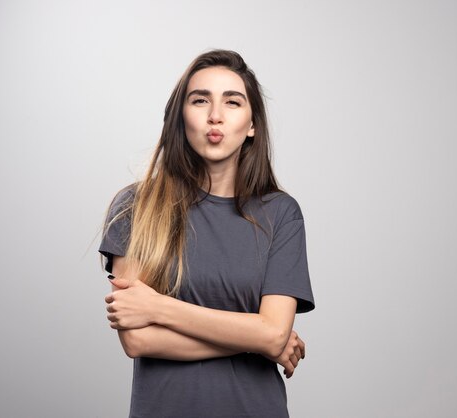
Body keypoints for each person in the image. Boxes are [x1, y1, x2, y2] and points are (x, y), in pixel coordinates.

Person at [99, 49, 315, 418]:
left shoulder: (282, 214)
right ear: (181, 117)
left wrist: (159, 306)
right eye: (200, 100)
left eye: (232, 102)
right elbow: (137, 339)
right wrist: (257, 339)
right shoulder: (137, 206)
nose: (215, 115)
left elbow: (275, 334)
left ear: (252, 125)